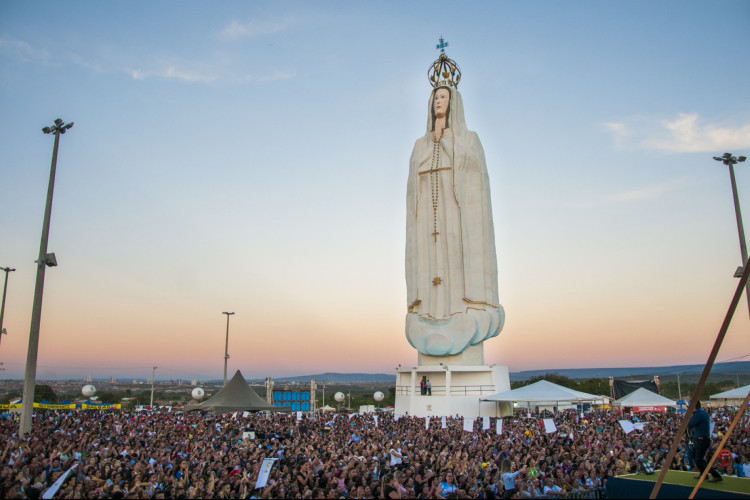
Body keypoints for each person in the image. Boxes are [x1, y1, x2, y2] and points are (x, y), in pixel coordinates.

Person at [405, 57, 504, 358]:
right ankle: (431, 316)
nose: (439, 102)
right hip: (427, 228)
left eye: (444, 97)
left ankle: (464, 313)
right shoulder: (420, 145)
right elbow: (412, 192)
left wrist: (450, 146)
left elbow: (476, 187)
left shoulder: (468, 140)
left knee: (456, 265)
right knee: (431, 269)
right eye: (435, 97)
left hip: (458, 220)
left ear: (454, 103)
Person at [687, 401, 722, 482]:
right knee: (694, 454)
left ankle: (715, 475)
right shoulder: (702, 412)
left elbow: (690, 424)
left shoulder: (698, 414)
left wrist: (690, 415)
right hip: (702, 439)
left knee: (699, 459)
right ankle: (704, 474)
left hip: (701, 440)